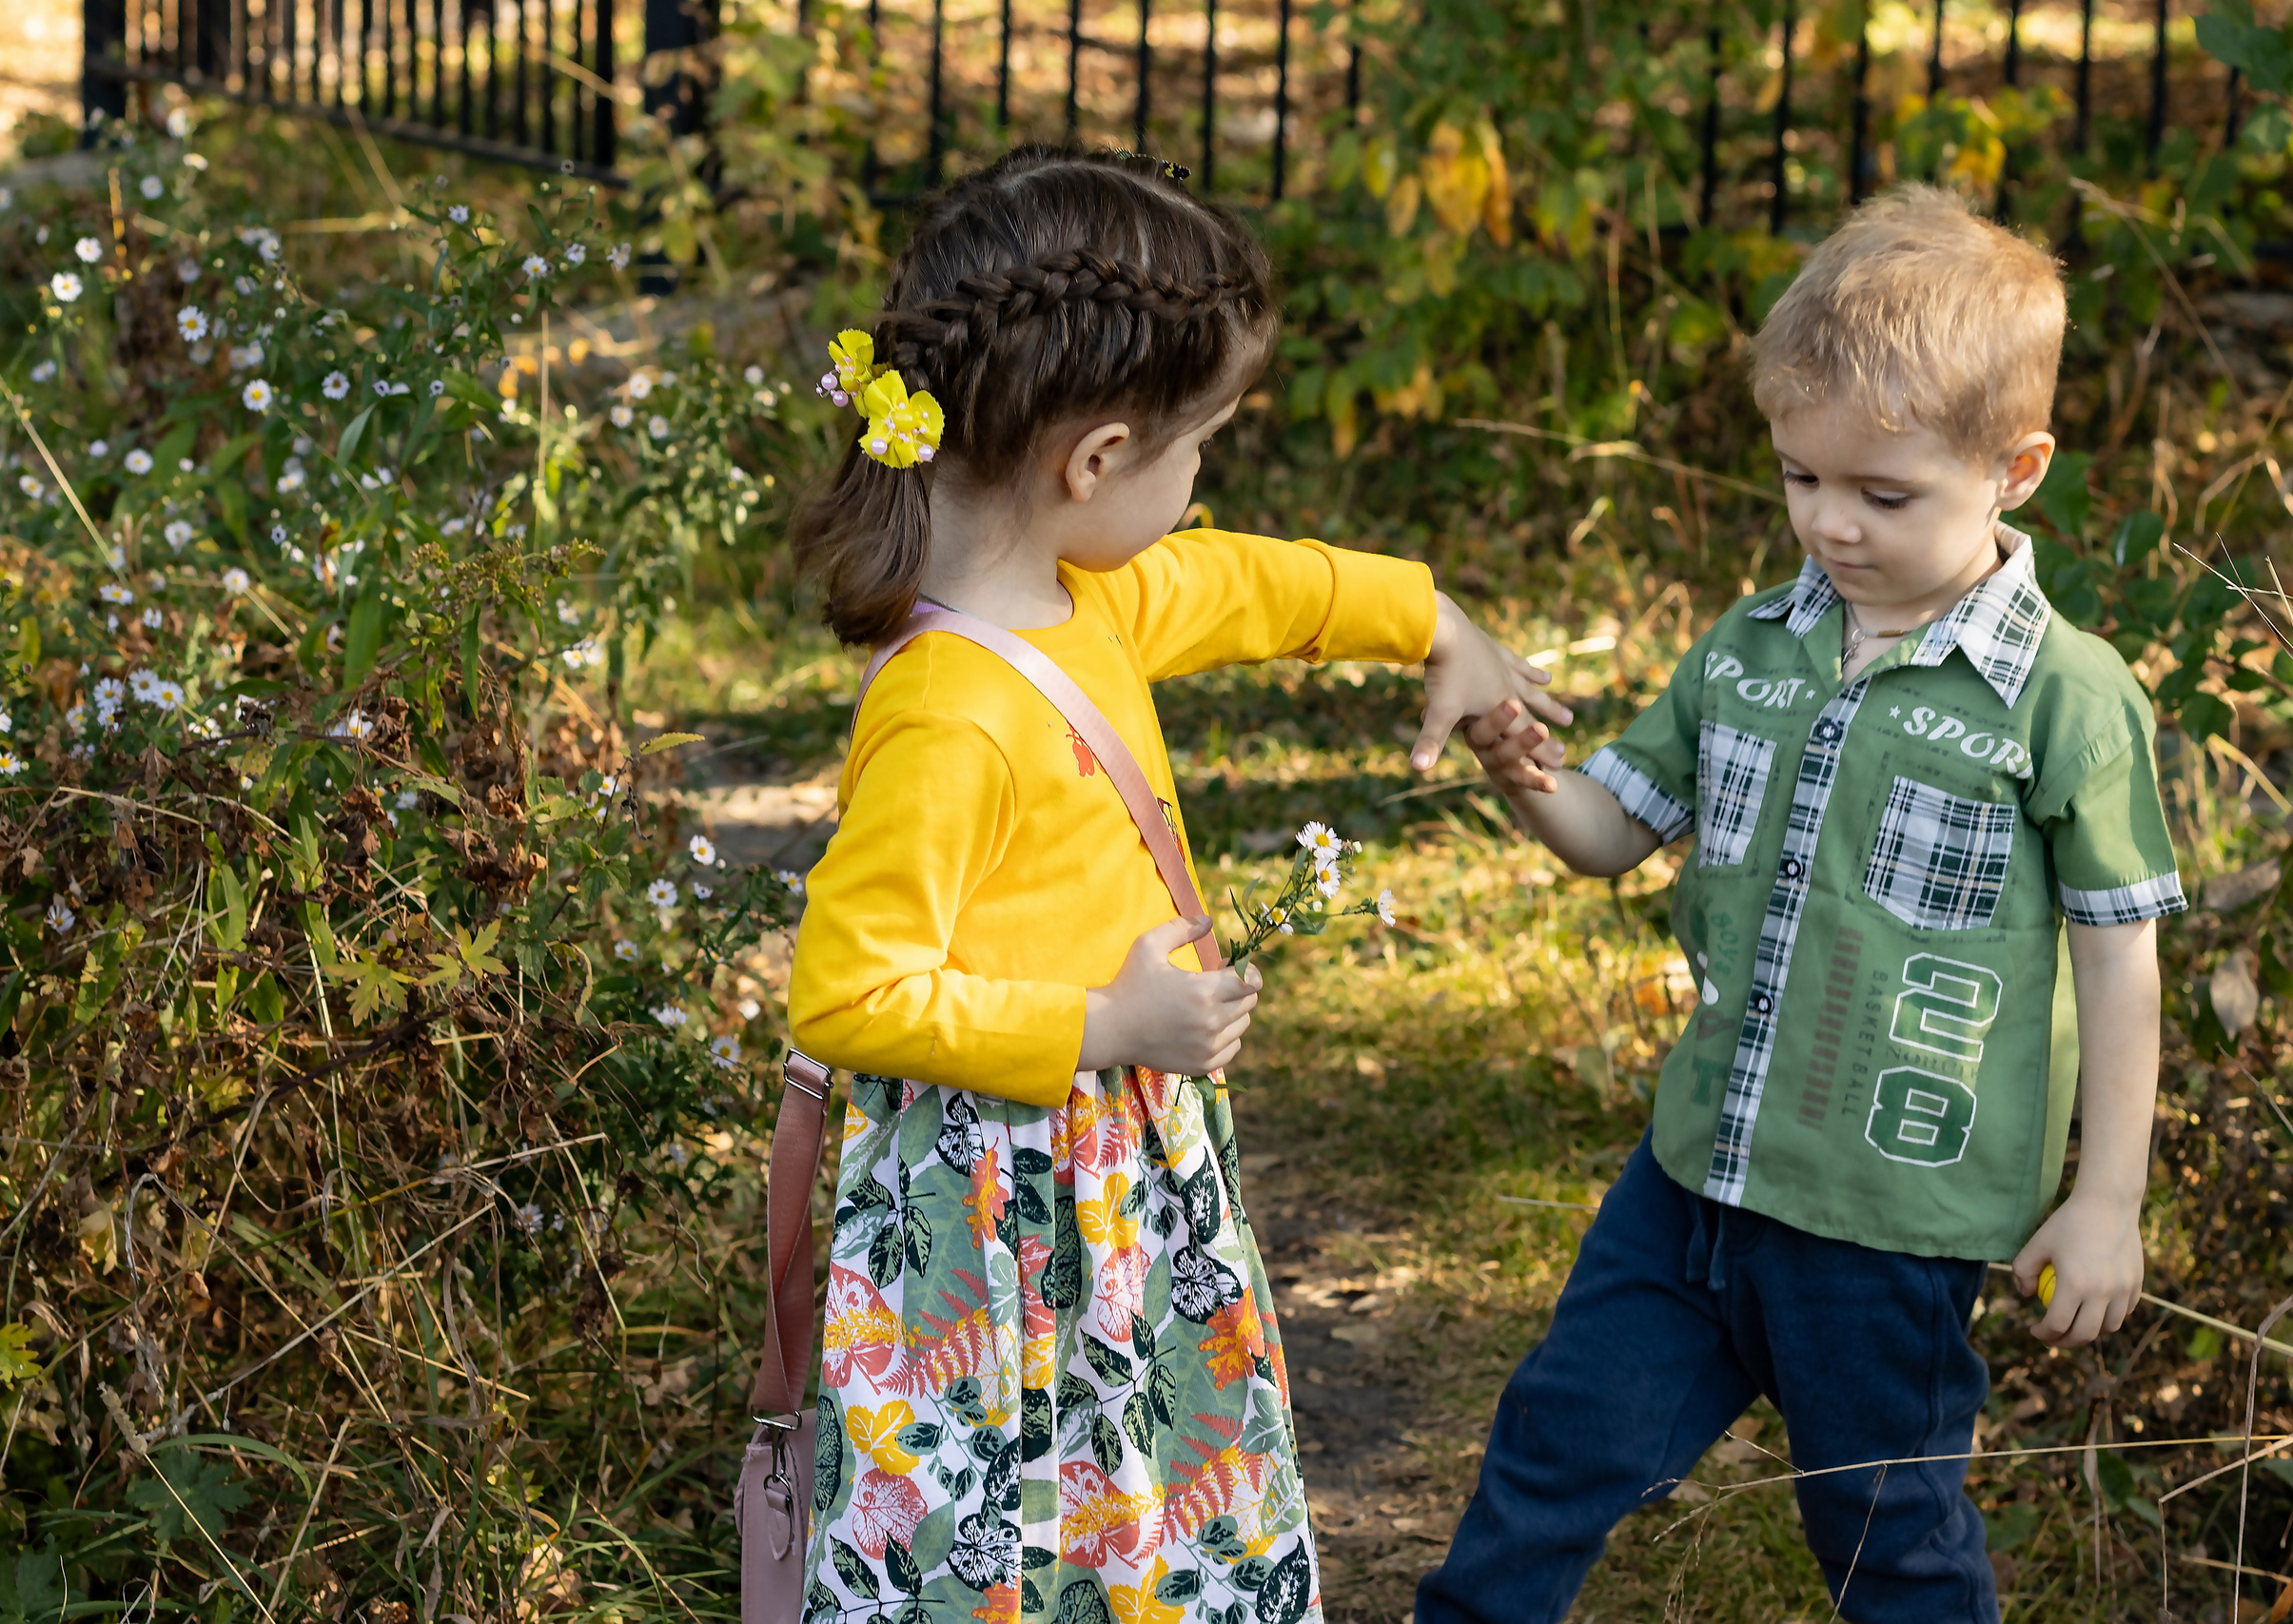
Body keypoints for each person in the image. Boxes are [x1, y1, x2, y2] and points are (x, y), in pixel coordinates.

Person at [783, 146, 1563, 1624]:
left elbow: (1263, 587)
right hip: (994, 1208)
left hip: (1108, 1168)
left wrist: (1434, 621)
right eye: (1198, 446)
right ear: (1095, 462)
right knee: (1000, 1511)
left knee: (1125, 1465)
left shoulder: (1091, 597)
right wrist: (1104, 1024)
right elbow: (851, 988)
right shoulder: (952, 712)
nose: (1204, 485)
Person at [1420, 184, 2185, 1624]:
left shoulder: (2065, 700)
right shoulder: (1755, 649)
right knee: (1551, 1448)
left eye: (1882, 495)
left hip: (1889, 1221)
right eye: (1798, 478)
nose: (1829, 525)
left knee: (1882, 1530)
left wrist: (2108, 1199)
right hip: (1697, 1178)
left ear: (2014, 469)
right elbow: (1606, 833)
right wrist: (1514, 756)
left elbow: (2119, 957)